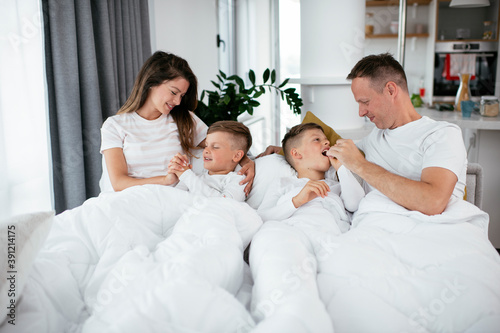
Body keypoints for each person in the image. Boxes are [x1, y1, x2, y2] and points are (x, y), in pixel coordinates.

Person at [249, 123, 365, 332]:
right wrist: (297, 200)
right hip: (288, 233)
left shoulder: (337, 186)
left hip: (328, 239)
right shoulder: (284, 184)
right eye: (317, 140)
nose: (326, 142)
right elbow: (261, 218)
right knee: (284, 279)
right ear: (297, 154)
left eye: (326, 140)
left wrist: (342, 169)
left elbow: (355, 204)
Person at [329, 53, 467, 216]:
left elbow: (433, 202)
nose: (361, 112)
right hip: (375, 228)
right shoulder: (375, 137)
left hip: (431, 231)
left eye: (365, 102)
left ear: (391, 90)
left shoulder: (441, 135)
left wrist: (360, 165)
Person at [99, 51, 255, 194]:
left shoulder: (183, 119)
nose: (178, 101)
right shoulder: (115, 126)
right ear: (151, 82)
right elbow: (118, 183)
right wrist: (165, 180)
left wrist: (247, 161)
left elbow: (224, 145)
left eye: (182, 95)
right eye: (174, 92)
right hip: (132, 199)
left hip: (173, 200)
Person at [167, 120, 252, 202]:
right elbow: (173, 199)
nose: (206, 150)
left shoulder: (237, 180)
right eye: (206, 145)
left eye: (215, 147)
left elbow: (225, 204)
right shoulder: (197, 177)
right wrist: (181, 172)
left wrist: (187, 176)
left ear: (237, 156)